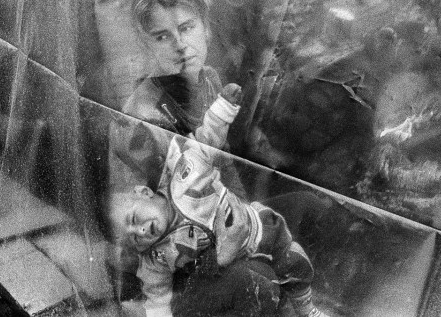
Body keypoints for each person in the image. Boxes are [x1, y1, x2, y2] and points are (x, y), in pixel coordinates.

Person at [109, 83, 322, 317]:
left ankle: (307, 310)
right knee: (260, 281)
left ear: (144, 192)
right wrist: (220, 259)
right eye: (133, 237)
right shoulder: (156, 257)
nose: (138, 230)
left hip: (257, 228)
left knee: (298, 255)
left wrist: (223, 108)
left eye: (134, 219)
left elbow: (207, 140)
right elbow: (158, 298)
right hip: (214, 276)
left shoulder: (183, 170)